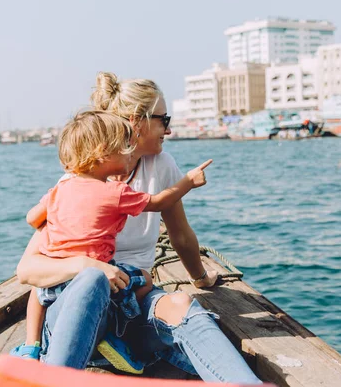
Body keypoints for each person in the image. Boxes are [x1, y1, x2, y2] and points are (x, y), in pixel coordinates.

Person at [16, 72, 262, 385]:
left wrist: (200, 278)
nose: (169, 129)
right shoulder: (75, 186)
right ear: (137, 121)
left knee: (181, 304)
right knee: (92, 279)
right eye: (164, 119)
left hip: (129, 304)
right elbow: (27, 269)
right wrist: (90, 265)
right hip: (80, 314)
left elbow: (180, 234)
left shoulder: (161, 166)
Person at [11, 110, 212, 375]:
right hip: (98, 279)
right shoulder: (115, 193)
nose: (132, 153)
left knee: (37, 293)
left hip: (55, 281)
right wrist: (188, 182)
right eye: (126, 148)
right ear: (103, 153)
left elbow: (32, 218)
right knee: (144, 279)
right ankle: (119, 334)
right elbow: (161, 201)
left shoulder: (59, 191)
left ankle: (30, 347)